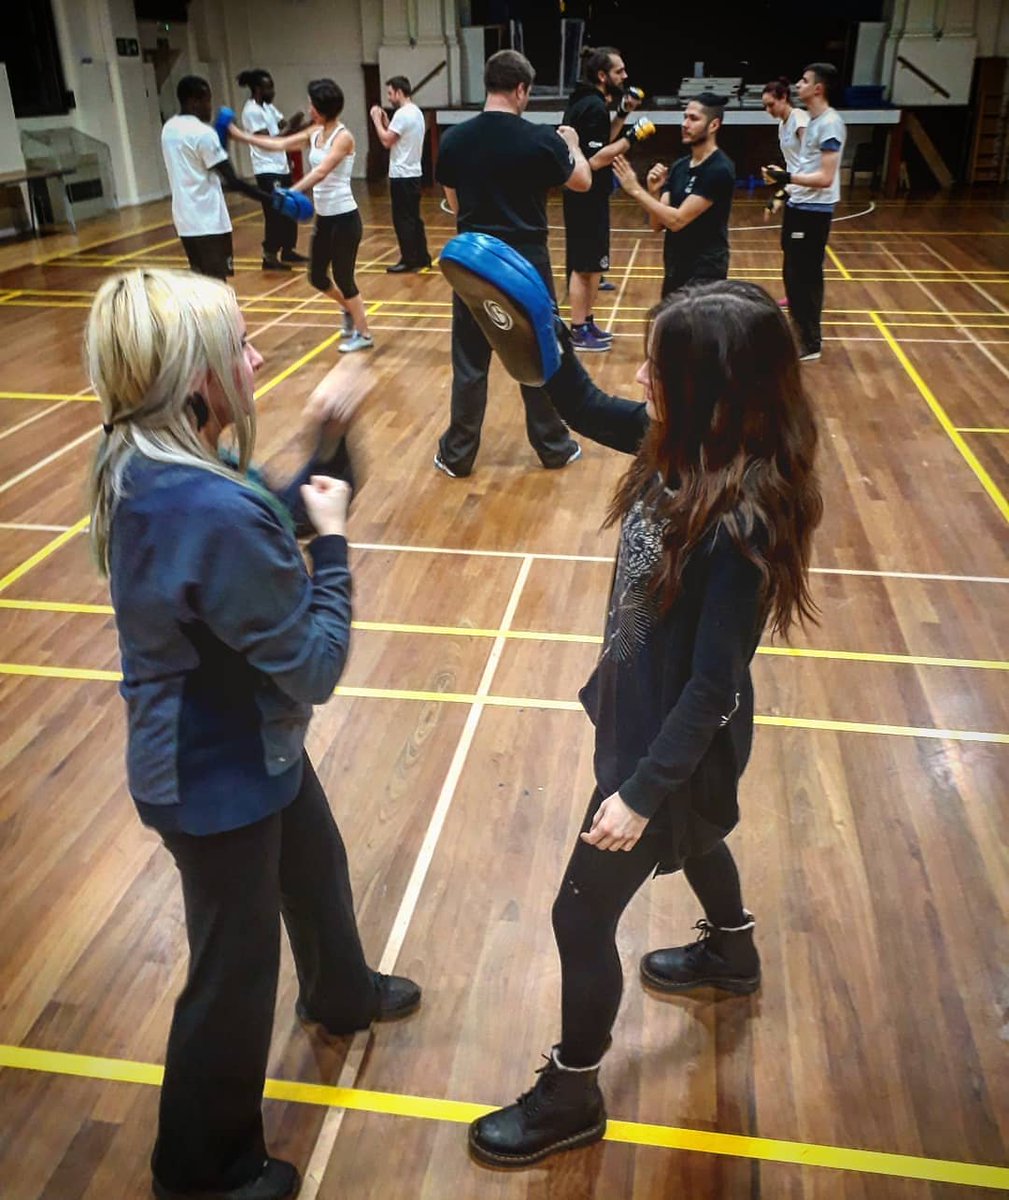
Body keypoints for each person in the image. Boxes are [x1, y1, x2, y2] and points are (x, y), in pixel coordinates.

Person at [467, 280, 822, 1169]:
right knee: (699, 837)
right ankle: (732, 957)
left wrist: (634, 793)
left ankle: (574, 1088)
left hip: (667, 746)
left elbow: (710, 688)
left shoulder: (740, 520)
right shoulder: (675, 440)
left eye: (656, 369)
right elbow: (580, 400)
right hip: (650, 724)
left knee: (579, 919)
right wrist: (519, 326)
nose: (640, 378)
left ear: (707, 388)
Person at [86, 268, 420, 1200]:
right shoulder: (207, 505)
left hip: (241, 740)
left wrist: (322, 442)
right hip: (211, 771)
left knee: (313, 862)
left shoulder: (149, 457)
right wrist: (337, 541)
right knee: (232, 975)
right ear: (196, 379)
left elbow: (250, 526)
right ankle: (201, 1169)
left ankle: (342, 993)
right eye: (240, 346)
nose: (259, 356)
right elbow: (314, 662)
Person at [434, 49, 592, 478]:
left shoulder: (453, 139)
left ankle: (458, 455)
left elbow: (452, 202)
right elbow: (583, 181)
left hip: (474, 264)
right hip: (526, 265)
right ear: (521, 89)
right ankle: (554, 447)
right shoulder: (541, 139)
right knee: (538, 356)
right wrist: (573, 145)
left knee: (470, 364)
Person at [229, 79, 374, 353]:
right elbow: (279, 144)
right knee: (317, 277)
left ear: (322, 107)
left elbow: (322, 172)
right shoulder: (314, 132)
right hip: (325, 218)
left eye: (312, 104)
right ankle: (349, 310)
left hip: (345, 219)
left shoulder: (343, 137)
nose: (309, 108)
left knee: (344, 277)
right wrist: (241, 136)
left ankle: (364, 334)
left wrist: (289, 192)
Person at [561, 46, 649, 352]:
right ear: (602, 75)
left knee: (592, 265)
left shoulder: (589, 102)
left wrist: (624, 113)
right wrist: (633, 136)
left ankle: (586, 322)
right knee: (584, 265)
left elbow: (601, 140)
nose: (624, 76)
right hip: (585, 194)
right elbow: (596, 159)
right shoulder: (592, 106)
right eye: (618, 71)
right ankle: (578, 329)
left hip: (586, 193)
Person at [161, 76, 284, 282]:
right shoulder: (202, 133)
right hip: (208, 219)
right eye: (207, 100)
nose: (210, 106)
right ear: (193, 101)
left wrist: (222, 138)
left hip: (185, 220)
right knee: (218, 285)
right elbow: (232, 181)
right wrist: (271, 199)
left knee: (201, 281)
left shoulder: (169, 128)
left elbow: (208, 163)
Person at [612, 93, 735, 298]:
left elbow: (677, 220)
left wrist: (634, 189)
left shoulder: (719, 168)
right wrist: (654, 191)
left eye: (693, 119)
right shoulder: (679, 167)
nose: (685, 124)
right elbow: (657, 225)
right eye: (685, 117)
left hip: (705, 271)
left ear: (713, 125)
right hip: (675, 267)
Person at [762, 63, 846, 362]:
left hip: (814, 211)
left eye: (804, 80)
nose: (799, 85)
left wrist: (784, 180)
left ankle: (810, 343)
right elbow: (801, 168)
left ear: (818, 88)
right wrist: (783, 194)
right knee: (792, 272)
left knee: (806, 275)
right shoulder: (814, 120)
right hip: (799, 205)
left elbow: (825, 177)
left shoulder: (828, 123)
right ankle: (799, 335)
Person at [238, 67, 309, 271]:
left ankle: (288, 249)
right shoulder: (251, 111)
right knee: (275, 212)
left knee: (290, 209)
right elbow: (269, 139)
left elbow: (285, 127)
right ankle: (269, 255)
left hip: (281, 166)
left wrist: (304, 123)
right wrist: (289, 129)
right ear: (259, 89)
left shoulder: (269, 108)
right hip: (266, 169)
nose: (273, 91)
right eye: (270, 87)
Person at [369, 75, 431, 273]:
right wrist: (387, 122)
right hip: (413, 172)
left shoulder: (403, 114)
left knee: (402, 219)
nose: (388, 97)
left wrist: (377, 122)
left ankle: (409, 259)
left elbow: (387, 141)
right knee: (414, 217)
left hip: (402, 175)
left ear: (398, 91)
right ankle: (422, 256)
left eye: (390, 93)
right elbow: (398, 138)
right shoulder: (416, 112)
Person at [760, 76, 808, 221]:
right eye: (765, 106)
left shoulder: (800, 118)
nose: (768, 110)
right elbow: (794, 165)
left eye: (771, 104)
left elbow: (812, 161)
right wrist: (782, 192)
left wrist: (782, 178)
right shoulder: (782, 125)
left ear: (784, 98)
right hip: (796, 193)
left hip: (811, 197)